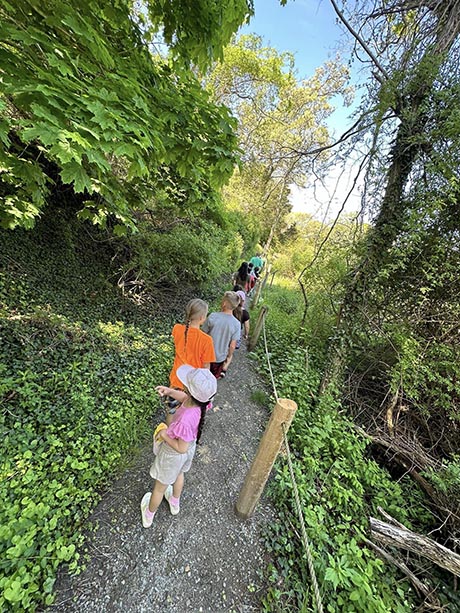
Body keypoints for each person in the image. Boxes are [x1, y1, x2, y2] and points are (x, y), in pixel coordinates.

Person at [141, 365, 217, 528]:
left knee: (160, 487)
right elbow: (184, 398)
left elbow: (180, 447)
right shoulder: (199, 404)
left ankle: (149, 514)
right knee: (180, 474)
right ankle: (174, 502)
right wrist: (168, 391)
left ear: (189, 390)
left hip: (174, 453)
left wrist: (164, 435)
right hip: (188, 449)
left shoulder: (185, 420)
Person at [169, 299, 216, 390]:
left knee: (172, 402)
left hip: (175, 378)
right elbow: (206, 366)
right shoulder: (206, 340)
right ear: (202, 318)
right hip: (192, 385)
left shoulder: (177, 329)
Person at [202, 291, 241, 379]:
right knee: (212, 378)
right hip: (220, 358)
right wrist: (229, 356)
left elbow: (203, 334)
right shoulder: (236, 324)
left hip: (206, 354)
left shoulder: (213, 316)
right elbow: (232, 345)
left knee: (202, 375)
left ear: (224, 303)